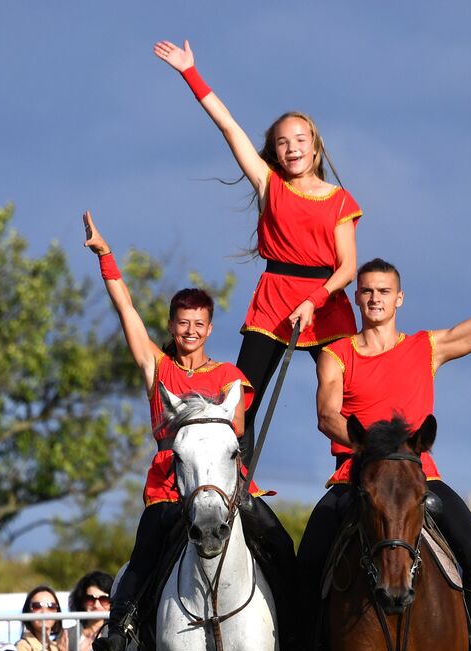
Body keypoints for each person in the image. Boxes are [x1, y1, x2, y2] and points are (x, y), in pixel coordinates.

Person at [295, 198, 471, 651]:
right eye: (365, 291)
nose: (374, 299)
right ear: (357, 298)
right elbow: (326, 415)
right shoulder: (336, 353)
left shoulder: (426, 347)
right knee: (307, 559)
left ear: (400, 298)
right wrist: (372, 451)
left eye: (383, 291)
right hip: (354, 480)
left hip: (418, 479)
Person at [81, 213, 300, 651]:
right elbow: (127, 314)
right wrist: (106, 258)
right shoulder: (157, 367)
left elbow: (237, 432)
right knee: (146, 550)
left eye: (199, 324)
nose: (190, 332)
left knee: (280, 545)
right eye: (183, 324)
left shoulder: (229, 377)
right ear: (172, 325)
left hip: (225, 486)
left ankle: (300, 636)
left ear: (210, 327)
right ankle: (120, 630)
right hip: (170, 487)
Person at [153, 39, 361, 441]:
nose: (291, 148)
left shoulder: (340, 201)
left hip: (326, 302)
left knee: (346, 397)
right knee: (241, 398)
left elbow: (348, 267)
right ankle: (234, 482)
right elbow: (228, 126)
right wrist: (189, 72)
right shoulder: (270, 184)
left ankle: (360, 469)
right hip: (274, 298)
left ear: (314, 147)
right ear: (275, 152)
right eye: (282, 142)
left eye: (300, 140)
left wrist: (314, 300)